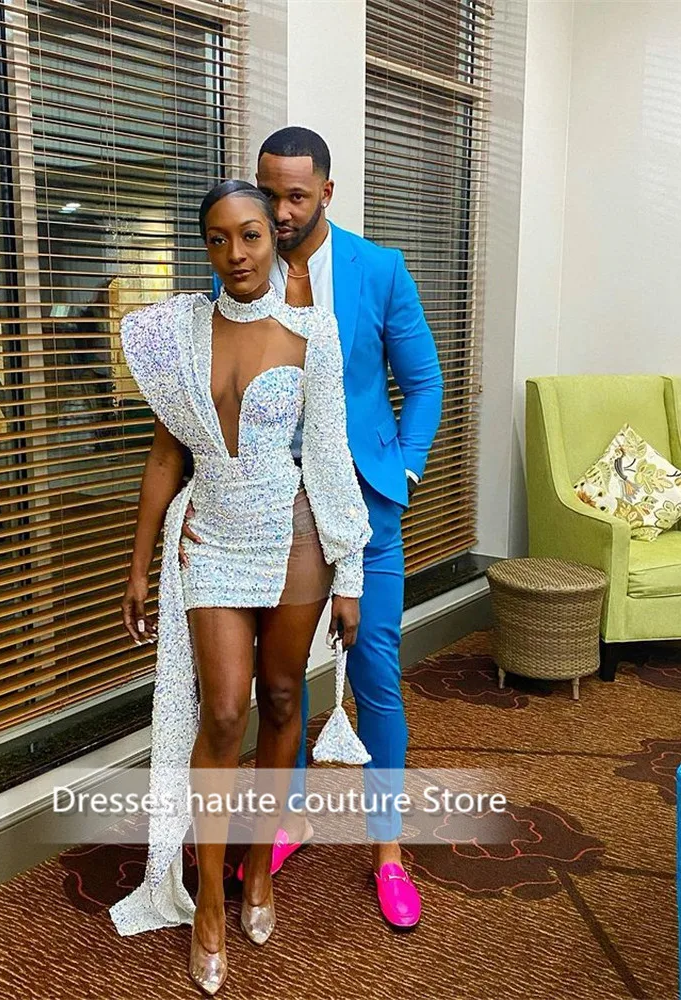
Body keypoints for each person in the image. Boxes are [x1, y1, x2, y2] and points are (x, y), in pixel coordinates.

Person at [109, 179, 372, 995]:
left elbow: (327, 454)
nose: (236, 253)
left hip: (296, 538)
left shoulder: (311, 332)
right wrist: (138, 564)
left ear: (275, 237)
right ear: (206, 247)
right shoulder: (179, 334)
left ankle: (259, 870)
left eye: (250, 235)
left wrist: (350, 573)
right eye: (218, 239)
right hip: (212, 540)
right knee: (223, 712)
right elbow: (165, 456)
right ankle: (208, 906)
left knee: (283, 698)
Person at [192, 127, 444, 929]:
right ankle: (286, 821)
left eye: (296, 196)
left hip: (361, 508)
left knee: (373, 673)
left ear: (327, 192)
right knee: (281, 682)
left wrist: (402, 471)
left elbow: (424, 382)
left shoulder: (378, 269)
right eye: (270, 193)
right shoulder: (241, 271)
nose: (280, 211)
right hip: (265, 516)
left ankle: (387, 848)